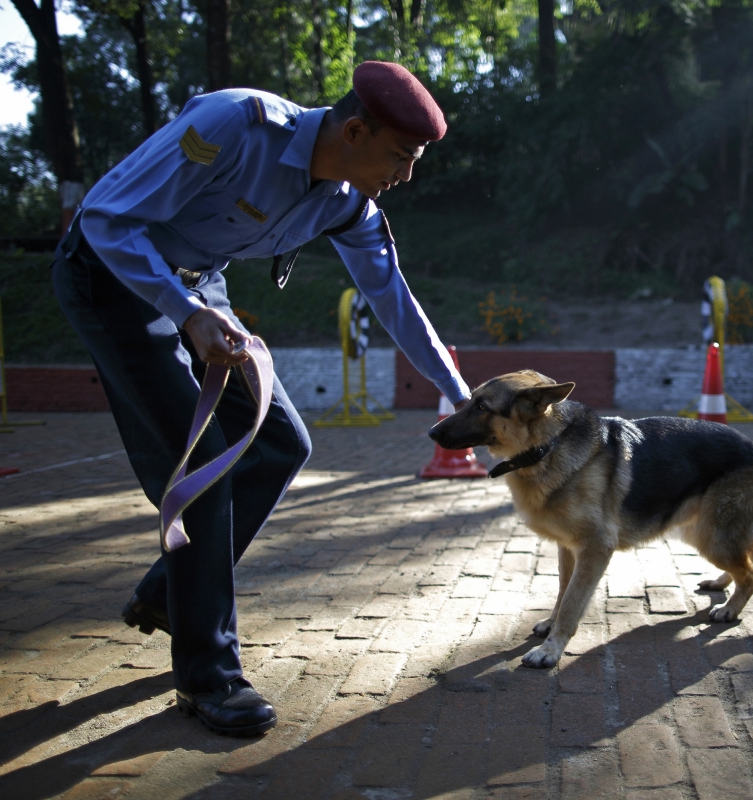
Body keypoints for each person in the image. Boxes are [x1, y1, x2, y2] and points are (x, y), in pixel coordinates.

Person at [53, 61, 469, 737]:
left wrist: (460, 395)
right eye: (400, 156)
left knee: (282, 442)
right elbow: (106, 219)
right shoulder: (236, 125)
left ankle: (168, 592)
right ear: (355, 131)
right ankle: (208, 677)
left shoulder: (345, 201)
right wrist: (185, 312)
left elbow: (394, 296)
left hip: (197, 288)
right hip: (113, 277)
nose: (406, 176)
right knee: (204, 471)